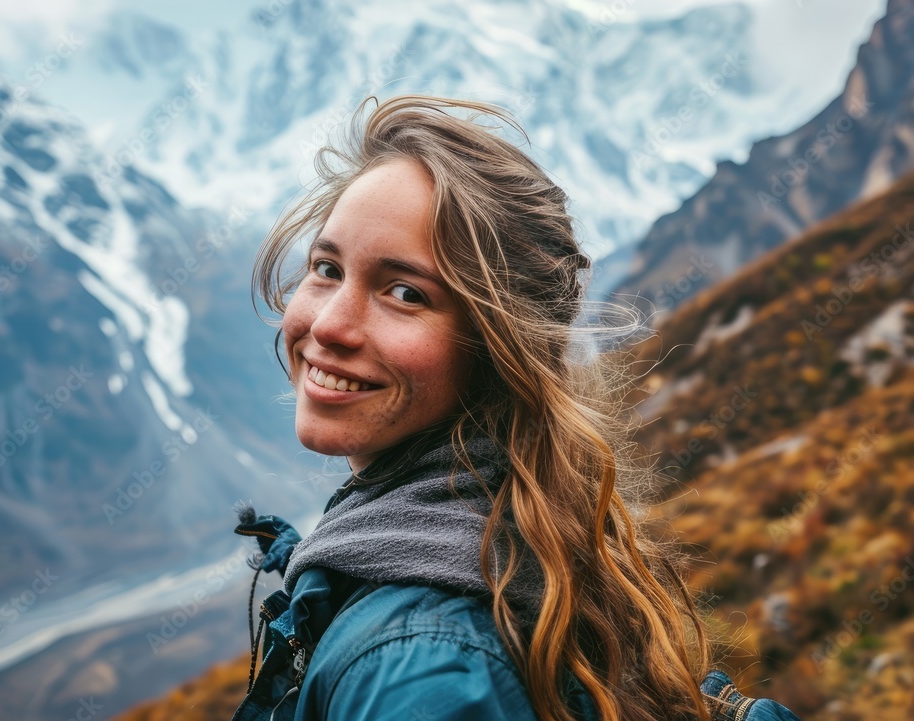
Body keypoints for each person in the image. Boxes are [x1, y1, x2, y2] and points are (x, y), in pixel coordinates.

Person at [231, 95, 801, 721]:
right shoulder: (519, 536)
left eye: (405, 293)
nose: (331, 324)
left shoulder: (422, 674)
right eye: (326, 267)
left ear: (499, 348)